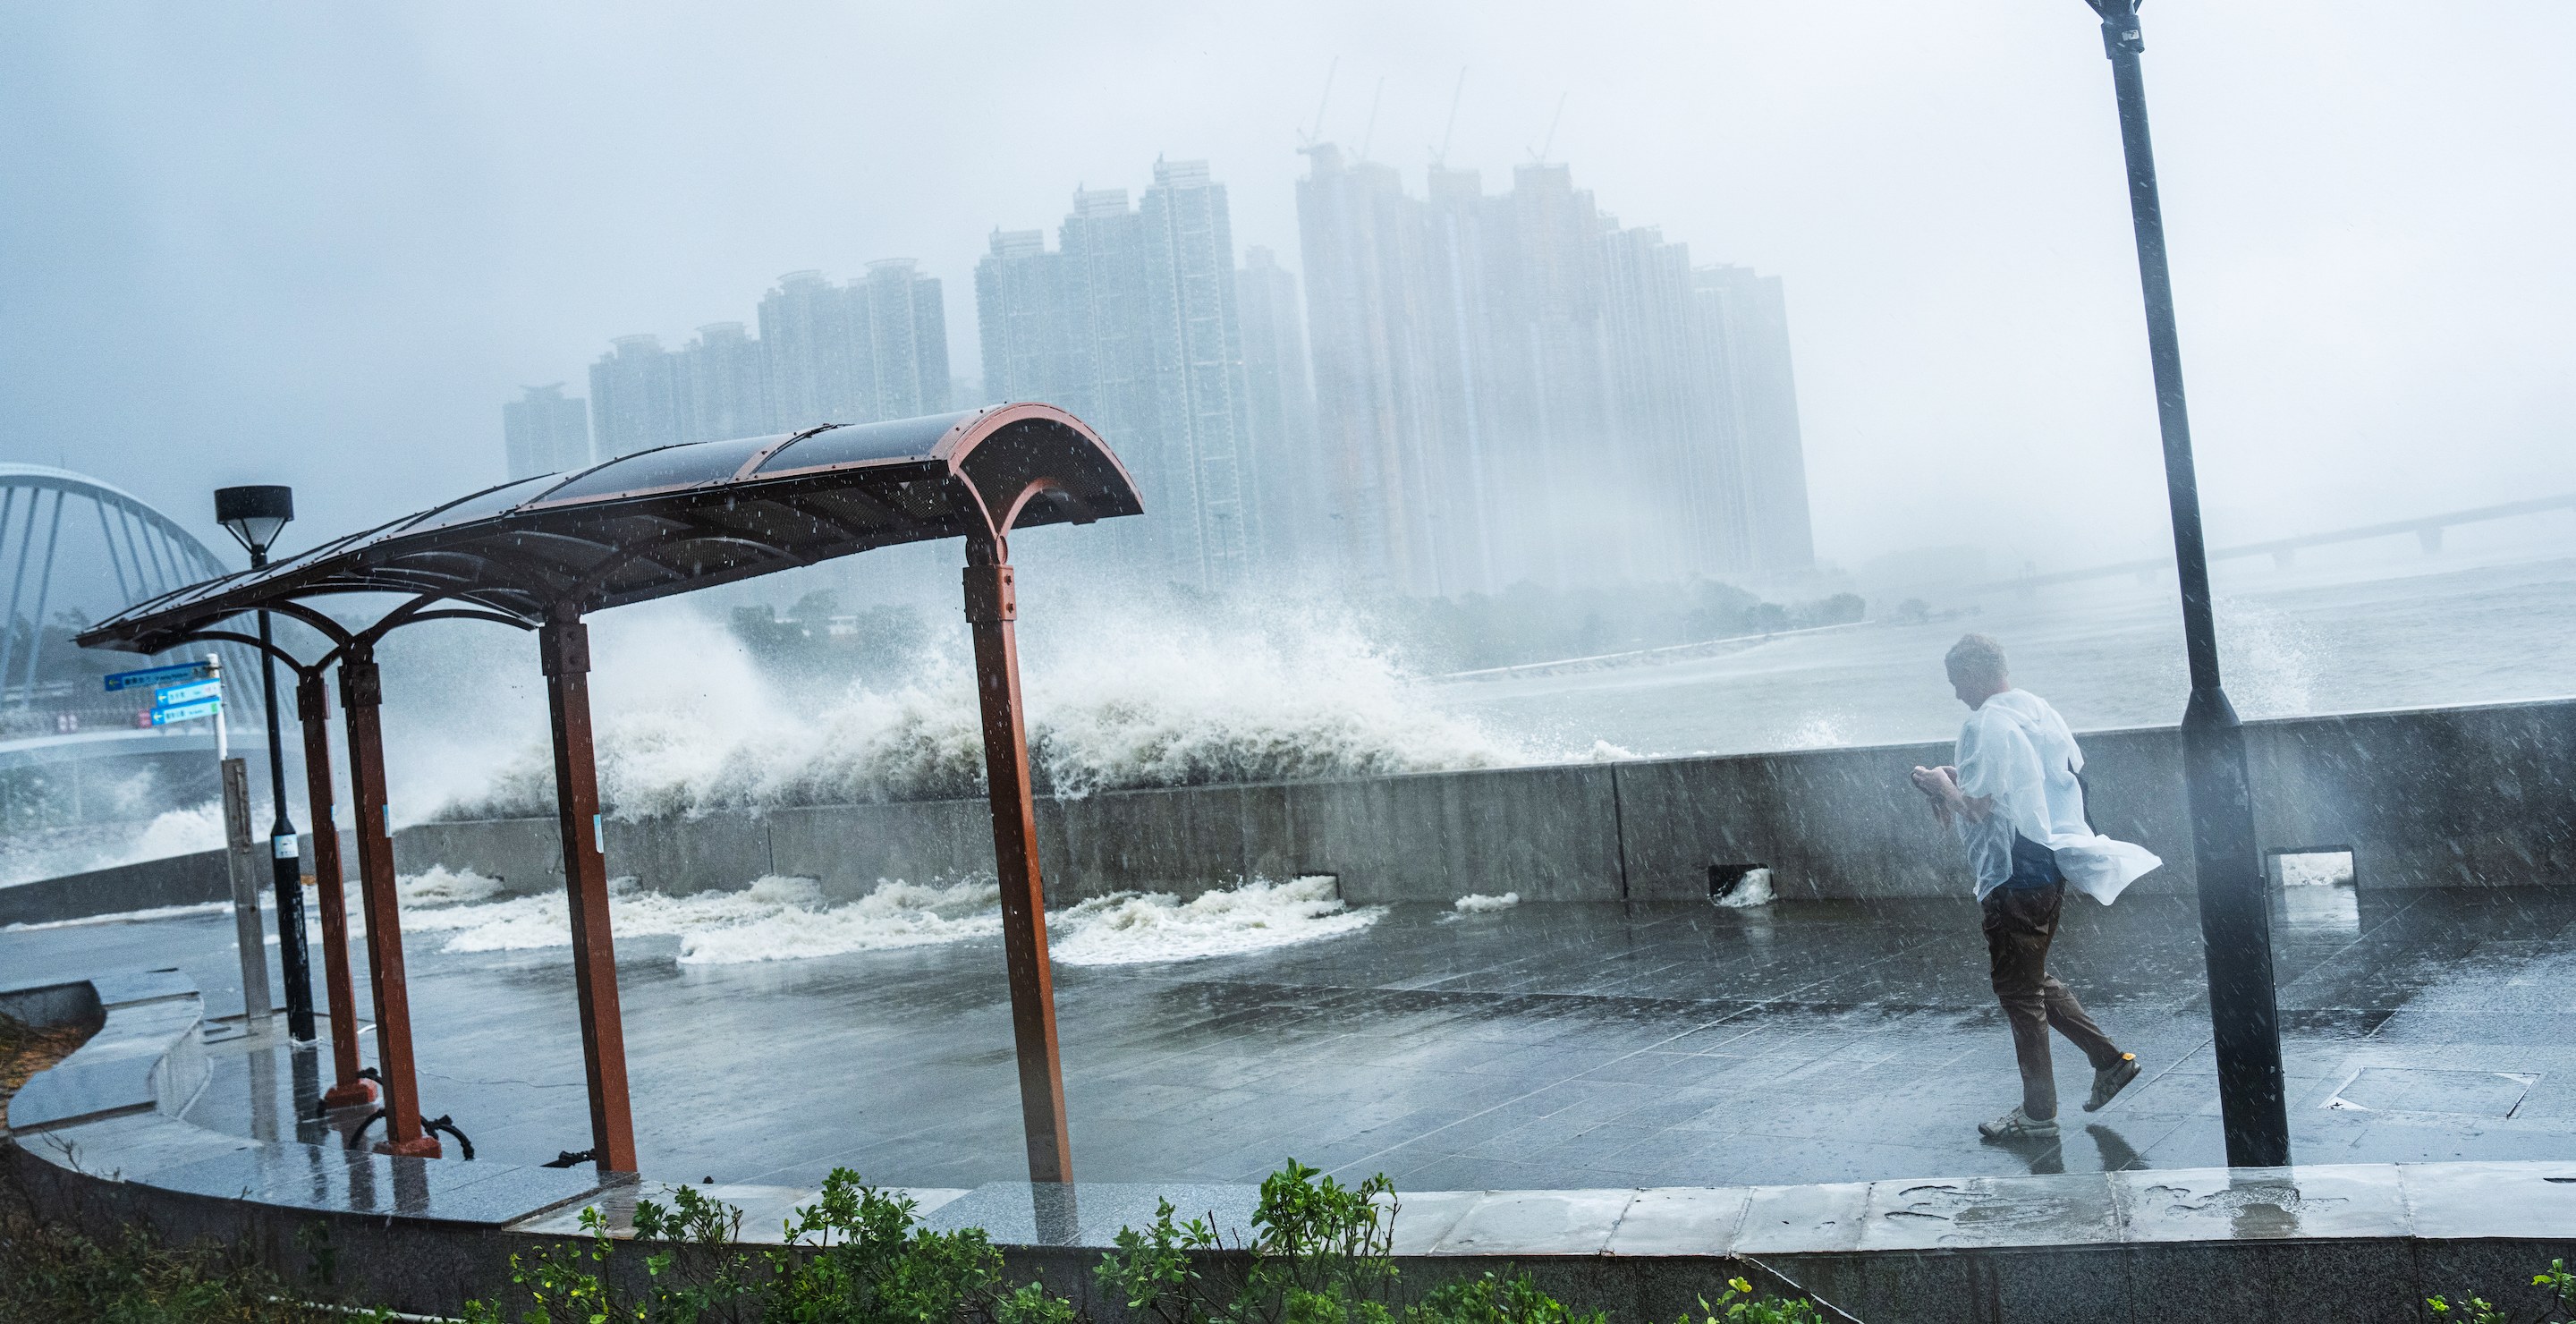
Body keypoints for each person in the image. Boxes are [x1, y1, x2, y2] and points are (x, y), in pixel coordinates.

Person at [1910, 633, 2159, 1140]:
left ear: (1977, 674)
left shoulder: (1983, 723)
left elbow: (1976, 808)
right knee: (2031, 977)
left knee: (2018, 992)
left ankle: (2038, 1114)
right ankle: (2109, 1061)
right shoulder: (2038, 711)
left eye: (1958, 681)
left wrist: (1939, 784)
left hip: (2011, 876)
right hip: (2047, 864)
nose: (1957, 693)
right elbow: (2028, 786)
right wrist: (1959, 778)